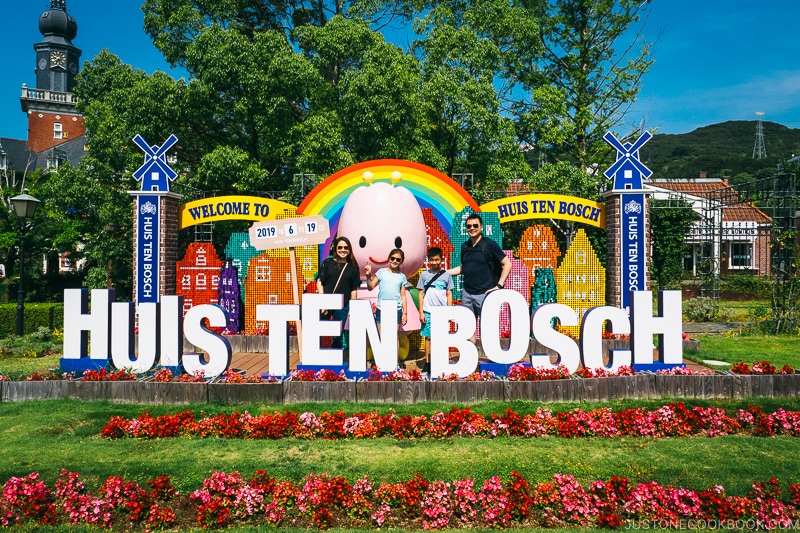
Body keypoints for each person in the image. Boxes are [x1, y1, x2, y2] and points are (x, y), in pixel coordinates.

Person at [448, 213, 512, 341]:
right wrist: (444, 273)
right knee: (467, 328)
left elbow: (507, 263)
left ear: (481, 227)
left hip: (484, 293)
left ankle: (491, 357)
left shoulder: (489, 245)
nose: (472, 228)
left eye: (475, 225)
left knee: (488, 327)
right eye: (469, 226)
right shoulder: (464, 246)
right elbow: (464, 268)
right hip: (467, 293)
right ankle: (472, 358)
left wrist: (499, 285)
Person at [316, 236, 361, 350]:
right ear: (335, 248)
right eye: (340, 247)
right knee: (319, 331)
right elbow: (320, 280)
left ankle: (335, 359)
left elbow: (353, 289)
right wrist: (322, 300)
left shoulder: (353, 267)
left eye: (346, 247)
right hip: (325, 304)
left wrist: (352, 307)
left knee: (337, 334)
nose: (343, 250)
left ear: (350, 249)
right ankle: (318, 357)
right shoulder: (328, 262)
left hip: (343, 305)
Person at [416, 247, 453, 373]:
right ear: (428, 261)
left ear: (441, 260)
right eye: (432, 260)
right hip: (428, 311)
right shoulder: (424, 275)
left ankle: (442, 361)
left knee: (442, 337)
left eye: (437, 260)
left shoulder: (446, 275)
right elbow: (420, 294)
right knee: (428, 338)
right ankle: (427, 363)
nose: (435, 262)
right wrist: (421, 312)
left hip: (442, 312)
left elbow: (449, 294)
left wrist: (449, 311)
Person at [364, 248, 408, 333]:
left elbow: (403, 296)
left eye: (398, 259)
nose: (395, 261)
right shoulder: (381, 272)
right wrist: (368, 276)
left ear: (401, 262)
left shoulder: (402, 276)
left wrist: (405, 313)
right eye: (392, 258)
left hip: (396, 309)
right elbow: (371, 287)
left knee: (394, 337)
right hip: (381, 308)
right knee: (381, 336)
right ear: (389, 259)